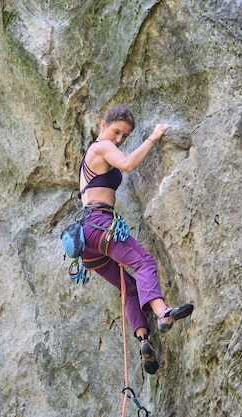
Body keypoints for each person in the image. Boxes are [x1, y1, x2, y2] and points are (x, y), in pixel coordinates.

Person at [78, 104, 194, 374]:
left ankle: (144, 338)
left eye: (124, 137)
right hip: (101, 225)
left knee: (129, 288)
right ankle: (163, 311)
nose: (118, 140)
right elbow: (128, 164)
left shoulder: (89, 158)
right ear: (102, 124)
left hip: (86, 239)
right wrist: (153, 138)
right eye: (116, 132)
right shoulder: (101, 147)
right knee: (143, 262)